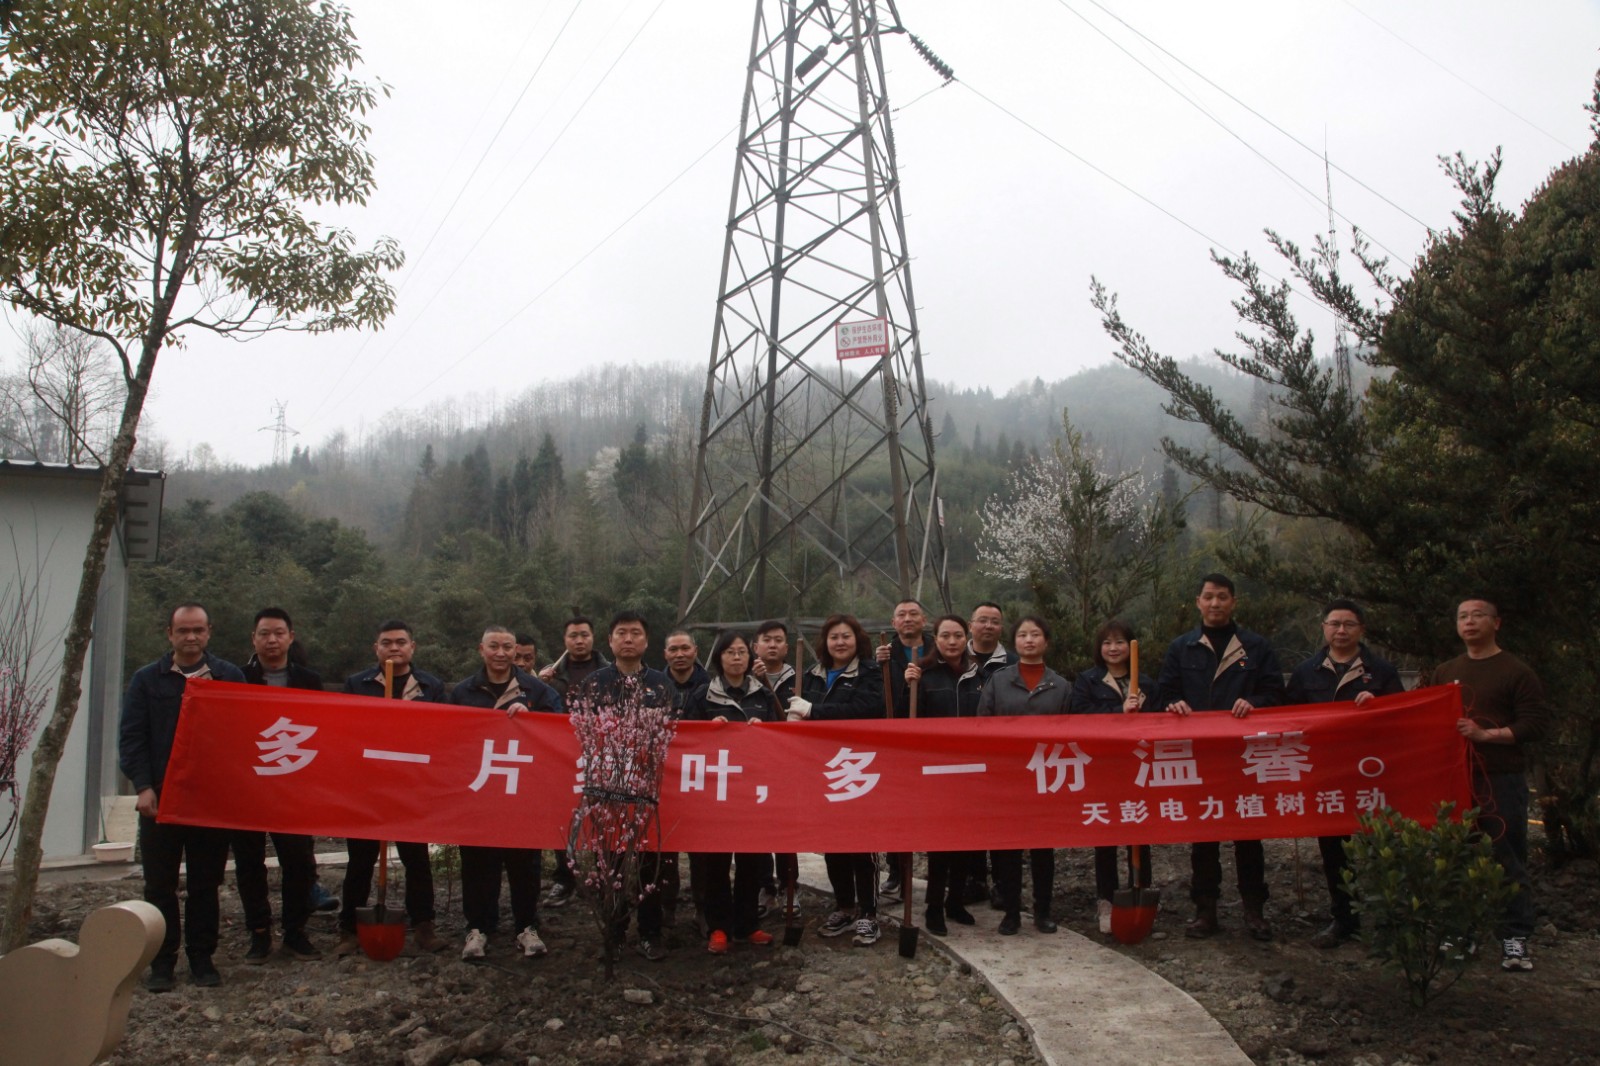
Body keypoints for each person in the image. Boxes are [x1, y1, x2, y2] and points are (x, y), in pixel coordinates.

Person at [118, 602, 245, 991]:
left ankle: (202, 958)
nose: (191, 637)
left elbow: (242, 735)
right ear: (170, 634)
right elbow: (132, 737)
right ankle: (162, 961)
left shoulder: (229, 677)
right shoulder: (146, 680)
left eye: (198, 630)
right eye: (183, 630)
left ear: (209, 633)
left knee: (205, 883)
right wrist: (143, 786)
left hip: (209, 801)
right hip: (160, 799)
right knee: (159, 884)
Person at [1155, 573, 1284, 940]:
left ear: (1233, 602)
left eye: (1222, 597)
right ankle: (1205, 910)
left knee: (1248, 834)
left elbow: (1276, 693)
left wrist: (1255, 702)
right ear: (1198, 601)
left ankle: (1254, 911)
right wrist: (1173, 703)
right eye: (1209, 596)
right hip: (1201, 756)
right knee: (1204, 835)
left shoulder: (1256, 647)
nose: (1215, 603)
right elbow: (1164, 693)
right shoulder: (1182, 647)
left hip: (1245, 756)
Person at [1428, 597, 1548, 972]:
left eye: (1478, 615)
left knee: (1507, 854)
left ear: (1496, 623)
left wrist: (1486, 735)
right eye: (1462, 616)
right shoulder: (1446, 671)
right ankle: (1460, 932)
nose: (1469, 622)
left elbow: (1534, 724)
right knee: (1455, 855)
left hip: (1501, 777)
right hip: (1454, 778)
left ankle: (1514, 937)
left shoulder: (1516, 671)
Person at [1285, 599, 1405, 948]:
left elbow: (1400, 717)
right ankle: (1344, 918)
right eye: (1334, 624)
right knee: (1334, 851)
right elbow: (1287, 718)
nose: (1341, 630)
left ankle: (1389, 920)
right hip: (1327, 774)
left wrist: (1378, 707)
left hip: (1371, 774)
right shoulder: (1306, 672)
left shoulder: (1381, 671)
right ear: (1323, 628)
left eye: (1349, 624)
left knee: (1381, 846)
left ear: (1361, 630)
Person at [335, 620, 450, 956]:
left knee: (417, 860)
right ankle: (349, 928)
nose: (394, 648)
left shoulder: (430, 686)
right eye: (387, 642)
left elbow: (443, 732)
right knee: (360, 860)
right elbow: (345, 729)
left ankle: (423, 925)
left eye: (401, 642)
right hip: (368, 787)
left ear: (412, 647)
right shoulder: (357, 684)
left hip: (412, 787)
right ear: (376, 648)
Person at [450, 624, 564, 961]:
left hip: (522, 791)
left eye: (507, 647)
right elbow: (449, 737)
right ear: (480, 649)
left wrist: (534, 719)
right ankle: (478, 928)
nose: (501, 653)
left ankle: (527, 927)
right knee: (477, 863)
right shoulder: (463, 691)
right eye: (494, 646)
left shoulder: (537, 691)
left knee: (525, 865)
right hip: (480, 791)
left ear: (517, 652)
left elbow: (561, 727)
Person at [569, 610, 676, 961]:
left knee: (649, 865)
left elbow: (677, 733)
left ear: (647, 641)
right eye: (621, 633)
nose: (628, 639)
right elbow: (578, 731)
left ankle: (650, 933)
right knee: (609, 864)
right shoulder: (594, 683)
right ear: (610, 640)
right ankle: (613, 933)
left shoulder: (662, 684)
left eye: (635, 633)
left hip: (647, 791)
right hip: (607, 791)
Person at [787, 613, 885, 946]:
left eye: (846, 636)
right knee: (833, 840)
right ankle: (844, 905)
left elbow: (866, 709)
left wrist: (814, 712)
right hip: (824, 767)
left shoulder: (870, 673)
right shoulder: (810, 676)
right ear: (824, 643)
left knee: (861, 841)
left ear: (858, 640)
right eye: (834, 637)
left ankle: (869, 912)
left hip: (859, 766)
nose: (840, 642)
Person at [233, 607, 324, 963]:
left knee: (299, 862)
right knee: (249, 862)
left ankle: (295, 931)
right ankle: (258, 933)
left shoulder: (309, 680)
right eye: (264, 634)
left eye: (278, 633)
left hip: (294, 786)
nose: (272, 640)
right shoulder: (236, 679)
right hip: (248, 786)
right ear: (253, 639)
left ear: (291, 636)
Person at [682, 630, 778, 952]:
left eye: (741, 652)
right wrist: (708, 732)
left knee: (752, 861)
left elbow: (780, 739)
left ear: (750, 658)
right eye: (729, 652)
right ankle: (719, 927)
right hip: (715, 794)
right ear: (719, 658)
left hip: (751, 792)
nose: (736, 658)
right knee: (716, 863)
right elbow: (687, 739)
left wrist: (764, 732)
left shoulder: (763, 696)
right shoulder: (702, 696)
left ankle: (747, 925)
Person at [978, 615, 1073, 935]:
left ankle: (1043, 911)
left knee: (1043, 849)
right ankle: (1011, 912)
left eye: (1035, 635)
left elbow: (1070, 733)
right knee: (1008, 849)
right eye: (1022, 635)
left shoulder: (1061, 686)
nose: (1029, 640)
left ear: (1046, 641)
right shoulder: (999, 681)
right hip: (1007, 777)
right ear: (1015, 642)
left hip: (1045, 776)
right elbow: (982, 725)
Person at [1068, 619, 1154, 936]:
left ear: (1131, 646)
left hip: (1138, 767)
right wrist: (1119, 711)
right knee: (1104, 833)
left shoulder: (1145, 682)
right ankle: (1106, 899)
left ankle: (1141, 892)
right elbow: (1079, 716)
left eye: (1119, 642)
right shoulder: (1088, 681)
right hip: (1102, 766)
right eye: (1107, 642)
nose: (1113, 648)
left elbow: (1160, 721)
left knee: (1139, 831)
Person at [899, 615, 983, 936]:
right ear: (935, 639)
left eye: (958, 635)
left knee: (966, 840)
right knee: (941, 842)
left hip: (971, 768)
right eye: (945, 635)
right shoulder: (923, 674)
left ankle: (955, 901)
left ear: (966, 637)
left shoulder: (979, 674)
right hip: (936, 770)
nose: (952, 641)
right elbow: (907, 719)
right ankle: (934, 905)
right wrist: (907, 687)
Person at [539, 616, 607, 909]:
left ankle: (604, 877)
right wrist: (539, 684)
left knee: (603, 816)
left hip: (603, 752)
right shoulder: (552, 675)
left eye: (584, 635)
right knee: (563, 815)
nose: (579, 641)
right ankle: (564, 878)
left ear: (593, 637)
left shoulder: (609, 671)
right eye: (573, 636)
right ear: (564, 640)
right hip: (563, 754)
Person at [872, 598, 928, 900]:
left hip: (930, 743)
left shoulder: (936, 650)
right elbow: (879, 695)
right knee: (895, 809)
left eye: (913, 614)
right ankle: (896, 870)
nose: (908, 619)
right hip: (893, 742)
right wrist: (878, 663)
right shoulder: (885, 654)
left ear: (924, 620)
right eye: (901, 615)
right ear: (894, 623)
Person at [964, 601, 1016, 906]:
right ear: (970, 625)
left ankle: (1003, 883)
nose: (988, 626)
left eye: (994, 621)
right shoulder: (954, 658)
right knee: (969, 818)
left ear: (1001, 628)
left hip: (1002, 756)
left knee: (1001, 819)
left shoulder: (1014, 663)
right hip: (964, 754)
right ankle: (975, 880)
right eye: (982, 620)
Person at [749, 619, 798, 916]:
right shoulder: (743, 680)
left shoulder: (801, 678)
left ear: (786, 647)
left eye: (778, 640)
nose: (772, 645)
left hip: (789, 766)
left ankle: (790, 887)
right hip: (756, 766)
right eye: (766, 640)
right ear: (755, 646)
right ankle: (765, 887)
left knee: (786, 829)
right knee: (759, 830)